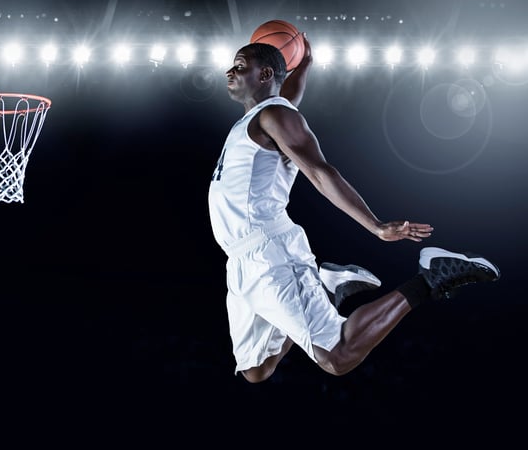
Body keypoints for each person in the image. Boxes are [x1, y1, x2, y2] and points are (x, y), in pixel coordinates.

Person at [207, 34, 500, 383]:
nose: (230, 71)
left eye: (240, 65)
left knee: (338, 356)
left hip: (269, 252)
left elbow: (319, 172)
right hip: (240, 258)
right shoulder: (259, 116)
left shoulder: (275, 115)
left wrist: (375, 225)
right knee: (256, 370)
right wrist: (304, 65)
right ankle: (329, 286)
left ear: (266, 73)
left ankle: (433, 276)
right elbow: (289, 95)